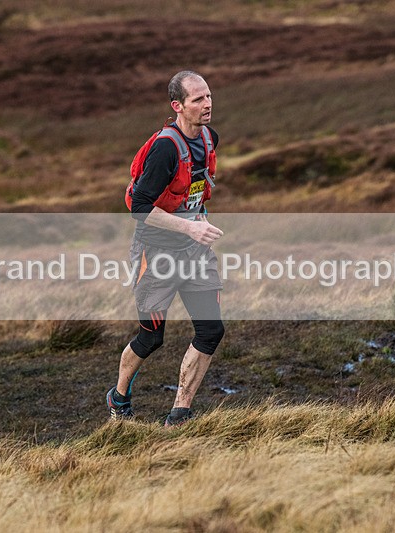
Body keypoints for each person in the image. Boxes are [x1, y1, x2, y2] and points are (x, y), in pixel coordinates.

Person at [106, 70, 225, 427]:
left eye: (208, 96)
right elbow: (139, 207)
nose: (207, 104)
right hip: (156, 253)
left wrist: (199, 221)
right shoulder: (163, 149)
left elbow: (194, 190)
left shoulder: (209, 139)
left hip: (194, 251)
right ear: (177, 106)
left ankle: (179, 415)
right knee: (151, 337)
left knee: (211, 331)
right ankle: (119, 395)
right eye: (197, 100)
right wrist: (188, 225)